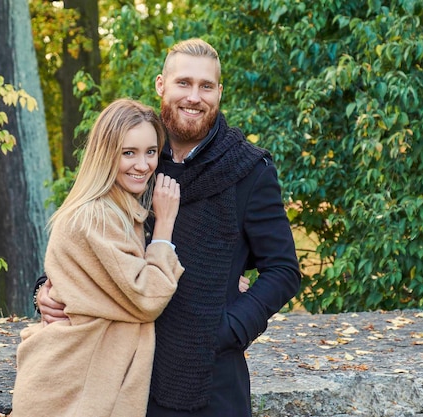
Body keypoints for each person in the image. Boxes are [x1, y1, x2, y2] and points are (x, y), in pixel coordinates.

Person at [35, 39, 301, 417]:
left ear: (219, 92)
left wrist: (228, 331)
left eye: (206, 86)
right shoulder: (134, 154)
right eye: (183, 83)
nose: (194, 96)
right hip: (118, 372)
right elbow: (88, 232)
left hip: (209, 379)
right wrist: (45, 288)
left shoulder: (249, 170)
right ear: (162, 85)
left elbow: (283, 271)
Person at [12, 98, 185, 417]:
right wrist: (165, 223)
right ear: (106, 154)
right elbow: (146, 297)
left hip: (84, 380)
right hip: (74, 387)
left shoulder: (118, 209)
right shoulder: (97, 216)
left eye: (150, 152)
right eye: (128, 152)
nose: (143, 165)